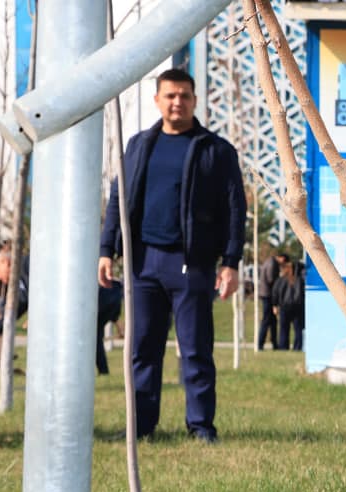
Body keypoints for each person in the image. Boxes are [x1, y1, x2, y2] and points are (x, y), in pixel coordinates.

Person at [98, 67, 246, 443]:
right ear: (158, 100)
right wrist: (106, 249)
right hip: (143, 264)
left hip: (191, 264)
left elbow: (234, 209)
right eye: (170, 95)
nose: (177, 102)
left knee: (195, 350)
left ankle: (201, 427)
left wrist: (230, 262)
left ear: (194, 101)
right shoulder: (137, 146)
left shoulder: (216, 150)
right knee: (142, 349)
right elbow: (118, 199)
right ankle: (141, 427)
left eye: (184, 95)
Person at [272, 254, 304, 351]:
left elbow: (275, 292)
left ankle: (283, 347)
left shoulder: (281, 280)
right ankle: (297, 347)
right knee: (298, 329)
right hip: (297, 306)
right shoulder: (299, 280)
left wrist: (275, 305)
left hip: (284, 306)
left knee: (284, 329)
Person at [257, 252, 285, 350]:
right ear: (281, 258)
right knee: (266, 320)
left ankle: (274, 343)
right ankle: (260, 343)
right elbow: (271, 280)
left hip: (266, 294)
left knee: (273, 321)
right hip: (268, 295)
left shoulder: (269, 261)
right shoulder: (272, 264)